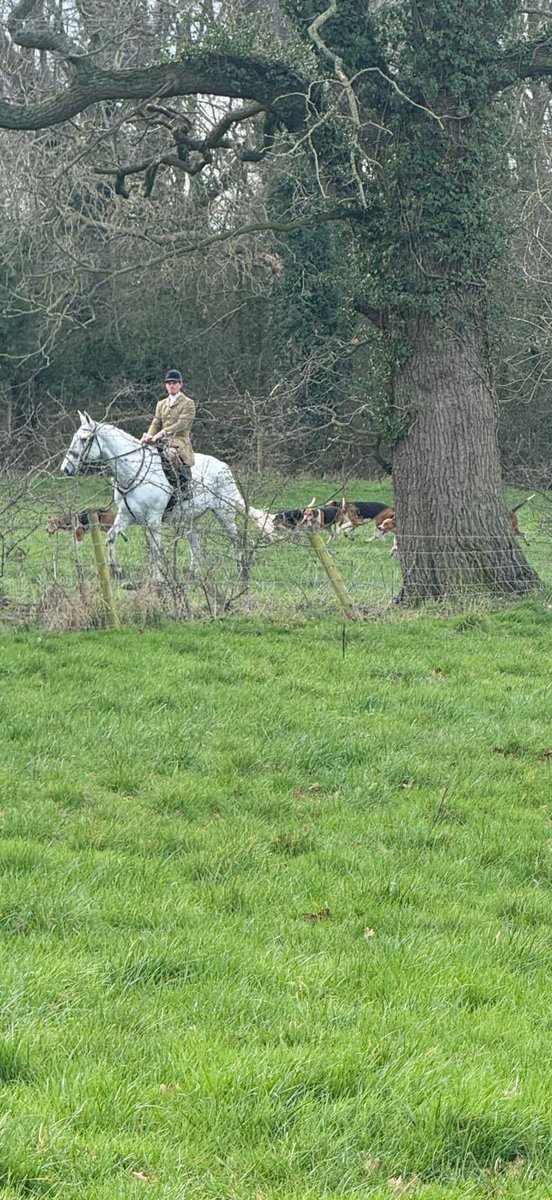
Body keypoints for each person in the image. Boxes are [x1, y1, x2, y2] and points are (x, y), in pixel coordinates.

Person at [141, 369, 195, 501]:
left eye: (174, 383)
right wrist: (148, 436)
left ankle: (183, 487)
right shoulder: (161, 404)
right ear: (166, 385)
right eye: (169, 383)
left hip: (179, 441)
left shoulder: (188, 403)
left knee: (169, 454)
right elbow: (156, 422)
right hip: (162, 440)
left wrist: (163, 432)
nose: (171, 385)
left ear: (180, 384)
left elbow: (183, 423)